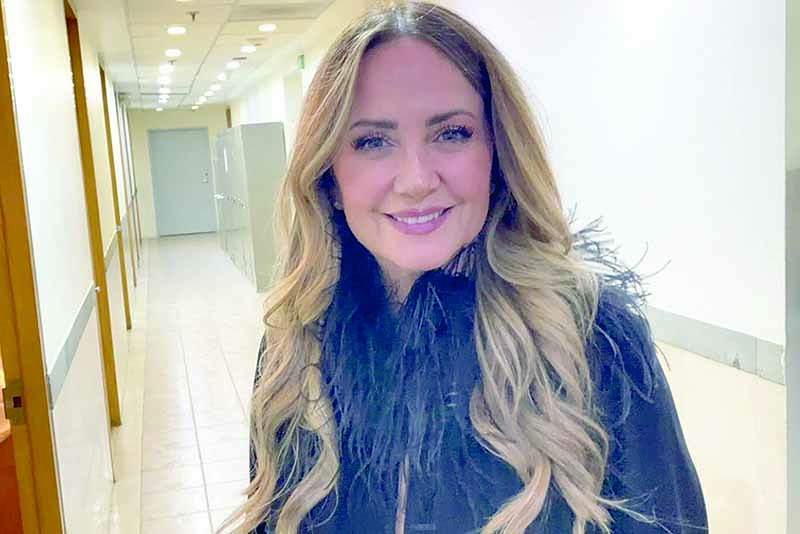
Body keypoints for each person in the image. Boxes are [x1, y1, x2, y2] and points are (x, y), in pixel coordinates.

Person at [222, 2, 708, 533]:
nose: (415, 180)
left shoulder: (591, 340)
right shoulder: (297, 346)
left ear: (496, 153)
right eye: (372, 141)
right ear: (329, 177)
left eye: (451, 133)